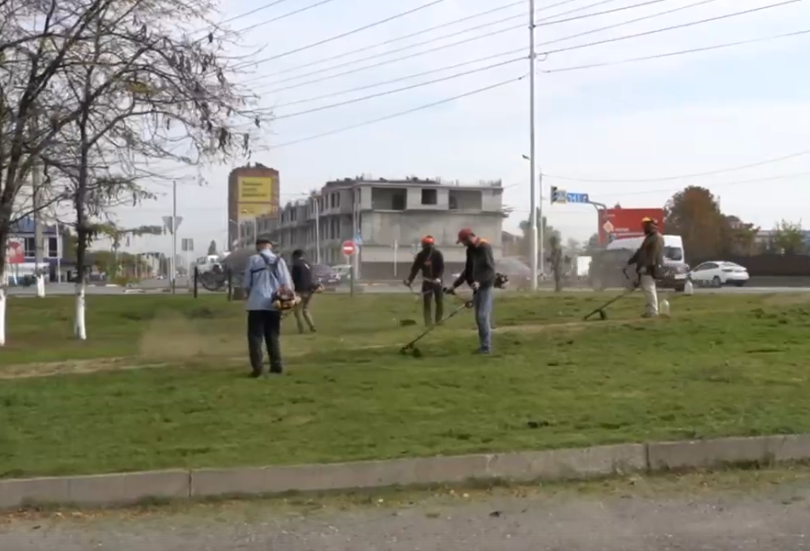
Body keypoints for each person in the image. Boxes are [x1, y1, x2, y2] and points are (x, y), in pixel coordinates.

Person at [242, 235, 293, 377]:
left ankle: (257, 367)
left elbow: (246, 284)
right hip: (274, 303)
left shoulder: (253, 260)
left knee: (255, 337)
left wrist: (248, 295)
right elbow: (286, 285)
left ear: (258, 246)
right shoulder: (279, 260)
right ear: (270, 245)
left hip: (256, 303)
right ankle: (276, 365)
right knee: (272, 335)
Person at [446, 228, 496, 354]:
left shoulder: (484, 247)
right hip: (476, 287)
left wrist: (479, 281)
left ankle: (486, 347)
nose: (463, 244)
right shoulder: (470, 249)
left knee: (483, 316)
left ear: (468, 238)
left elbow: (490, 269)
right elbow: (468, 270)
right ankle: (483, 346)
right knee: (478, 318)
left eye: (463, 241)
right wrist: (454, 285)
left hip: (485, 286)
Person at [626, 217, 664, 318]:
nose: (644, 228)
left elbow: (653, 254)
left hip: (650, 268)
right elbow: (640, 252)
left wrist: (645, 266)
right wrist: (630, 262)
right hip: (645, 267)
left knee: (649, 289)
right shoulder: (649, 237)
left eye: (646, 226)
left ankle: (653, 312)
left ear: (652, 226)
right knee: (647, 289)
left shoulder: (657, 238)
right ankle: (650, 311)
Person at [404, 235, 445, 327]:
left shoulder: (437, 254)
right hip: (427, 282)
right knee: (427, 302)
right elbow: (415, 269)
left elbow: (441, 268)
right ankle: (428, 322)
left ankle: (439, 321)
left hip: (437, 282)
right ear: (423, 245)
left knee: (439, 301)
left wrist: (438, 278)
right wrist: (409, 280)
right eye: (426, 245)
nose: (428, 247)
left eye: (430, 244)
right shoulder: (421, 255)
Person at [291, 249, 317, 334]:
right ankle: (312, 326)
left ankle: (301, 329)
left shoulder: (296, 265)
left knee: (297, 311)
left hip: (300, 291)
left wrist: (293, 291)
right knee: (305, 309)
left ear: (295, 256)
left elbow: (294, 279)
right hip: (309, 291)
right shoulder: (308, 264)